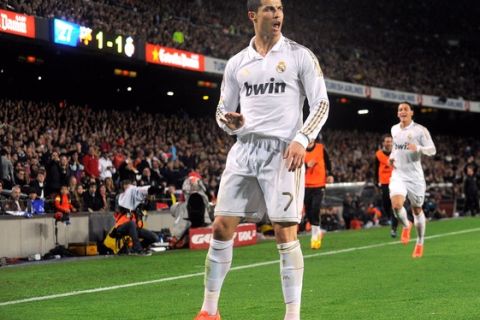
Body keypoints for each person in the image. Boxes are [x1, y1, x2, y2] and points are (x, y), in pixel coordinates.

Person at [195, 1, 329, 319]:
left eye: (280, 8)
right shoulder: (238, 63)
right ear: (253, 16)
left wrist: (302, 139)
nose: (278, 14)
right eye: (269, 8)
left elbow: (321, 103)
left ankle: (292, 315)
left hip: (282, 152)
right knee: (221, 226)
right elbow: (221, 110)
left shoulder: (300, 55)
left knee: (284, 232)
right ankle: (209, 310)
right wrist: (229, 122)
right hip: (244, 150)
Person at [389, 102, 436, 258]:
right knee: (396, 205)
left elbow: (432, 149)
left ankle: (420, 242)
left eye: (405, 109)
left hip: (415, 177)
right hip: (398, 174)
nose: (402, 111)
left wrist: (419, 148)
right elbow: (395, 147)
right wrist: (391, 157)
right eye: (400, 109)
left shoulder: (420, 130)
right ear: (397, 114)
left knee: (417, 210)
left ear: (411, 112)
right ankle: (406, 225)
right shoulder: (394, 129)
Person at [113, 180, 160, 255]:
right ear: (122, 186)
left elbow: (144, 209)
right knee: (131, 224)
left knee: (154, 238)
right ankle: (138, 250)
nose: (128, 186)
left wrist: (147, 199)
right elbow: (120, 209)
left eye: (129, 184)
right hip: (121, 226)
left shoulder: (136, 197)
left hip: (134, 226)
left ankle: (133, 249)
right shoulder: (120, 196)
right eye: (125, 184)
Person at [304, 135, 333, 249]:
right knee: (308, 209)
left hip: (319, 184)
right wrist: (306, 165)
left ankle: (314, 234)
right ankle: (317, 231)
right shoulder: (301, 150)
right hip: (306, 185)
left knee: (316, 207)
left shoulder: (321, 148)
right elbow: (296, 167)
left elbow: (328, 161)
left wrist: (330, 174)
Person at [374, 134, 397, 237]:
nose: (389, 143)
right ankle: (390, 218)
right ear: (383, 143)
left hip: (396, 181)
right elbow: (376, 168)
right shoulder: (378, 154)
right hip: (384, 182)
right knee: (385, 203)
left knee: (395, 204)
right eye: (387, 141)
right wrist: (375, 181)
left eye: (390, 141)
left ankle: (394, 227)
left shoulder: (396, 153)